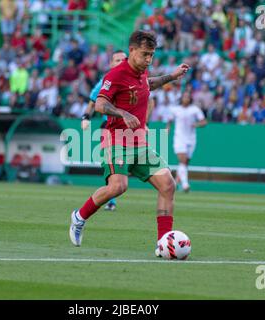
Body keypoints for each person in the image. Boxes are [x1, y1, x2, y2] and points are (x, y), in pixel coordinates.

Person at [69, 30, 190, 258]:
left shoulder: (142, 72)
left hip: (140, 142)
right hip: (117, 140)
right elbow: (100, 105)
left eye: (151, 55)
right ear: (132, 50)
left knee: (168, 185)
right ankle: (79, 216)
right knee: (118, 187)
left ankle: (163, 243)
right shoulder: (115, 75)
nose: (148, 60)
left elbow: (149, 84)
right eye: (145, 54)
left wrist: (172, 77)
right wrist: (122, 113)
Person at [80, 49, 127, 211]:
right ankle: (111, 199)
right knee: (111, 163)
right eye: (117, 60)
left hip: (128, 128)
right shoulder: (105, 81)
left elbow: (147, 102)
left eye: (124, 60)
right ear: (111, 64)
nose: (121, 63)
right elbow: (93, 102)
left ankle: (111, 193)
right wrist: (86, 118)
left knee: (125, 165)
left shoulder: (134, 79)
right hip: (109, 127)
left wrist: (144, 122)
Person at [167, 92, 207, 192]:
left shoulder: (195, 109)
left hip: (191, 139)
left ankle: (175, 182)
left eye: (188, 97)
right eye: (184, 97)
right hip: (179, 138)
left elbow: (203, 122)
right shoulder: (175, 109)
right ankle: (185, 185)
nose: (186, 99)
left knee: (185, 163)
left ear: (190, 99)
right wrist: (167, 129)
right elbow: (169, 121)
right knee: (182, 160)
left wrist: (196, 125)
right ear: (181, 98)